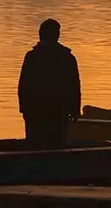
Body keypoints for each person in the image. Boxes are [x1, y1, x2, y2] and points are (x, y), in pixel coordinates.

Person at [18, 18, 82, 149]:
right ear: (57, 35)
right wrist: (75, 110)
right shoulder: (67, 58)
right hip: (57, 111)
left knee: (35, 146)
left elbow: (23, 86)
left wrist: (24, 108)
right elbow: (74, 87)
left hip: (38, 111)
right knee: (57, 146)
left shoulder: (32, 56)